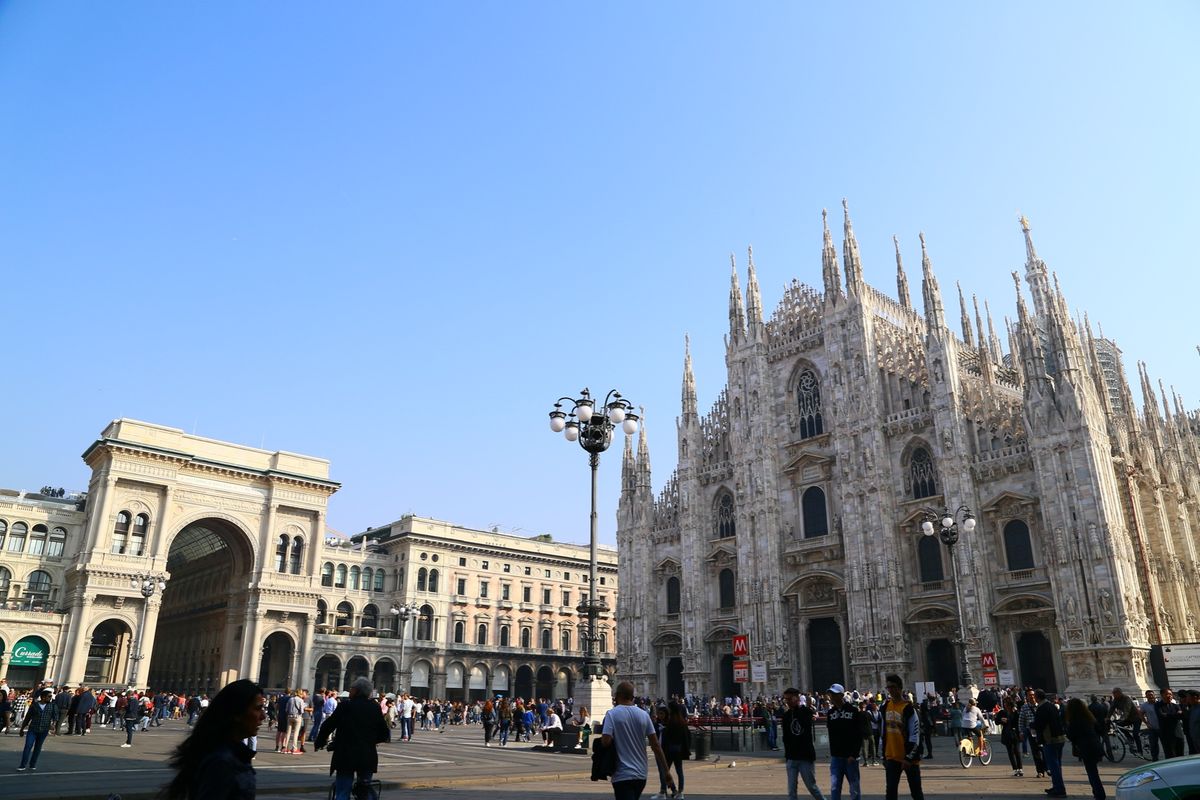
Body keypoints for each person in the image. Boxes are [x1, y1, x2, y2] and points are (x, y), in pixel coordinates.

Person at [161, 679, 263, 800]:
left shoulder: (232, 754)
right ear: (237, 712)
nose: (263, 716)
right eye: (257, 708)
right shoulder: (222, 762)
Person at [315, 677, 390, 800]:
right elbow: (384, 733)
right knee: (365, 790)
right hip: (366, 755)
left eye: (351, 689)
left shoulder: (345, 705)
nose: (349, 691)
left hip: (345, 755)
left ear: (356, 691)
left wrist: (320, 741)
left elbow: (328, 725)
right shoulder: (374, 707)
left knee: (343, 791)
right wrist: (370, 740)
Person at [601, 681, 674, 800]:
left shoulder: (612, 714)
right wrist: (667, 772)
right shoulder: (644, 715)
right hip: (641, 775)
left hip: (622, 774)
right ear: (632, 696)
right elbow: (656, 746)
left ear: (617, 695)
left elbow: (605, 741)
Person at [881, 675, 923, 800]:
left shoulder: (908, 709)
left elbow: (915, 735)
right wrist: (883, 755)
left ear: (900, 688)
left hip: (908, 759)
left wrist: (908, 758)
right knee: (891, 791)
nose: (891, 690)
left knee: (916, 792)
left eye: (893, 687)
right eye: (888, 687)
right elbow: (884, 732)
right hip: (891, 756)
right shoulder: (885, 707)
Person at [781, 688, 825, 800]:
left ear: (797, 698)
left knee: (811, 787)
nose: (787, 701)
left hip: (805, 757)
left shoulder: (806, 712)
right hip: (791, 758)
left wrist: (798, 707)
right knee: (791, 790)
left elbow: (806, 723)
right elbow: (785, 737)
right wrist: (787, 756)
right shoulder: (786, 716)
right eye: (785, 699)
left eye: (789, 699)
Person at [825, 683, 863, 800]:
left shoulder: (853, 711)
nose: (831, 697)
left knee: (854, 788)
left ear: (841, 695)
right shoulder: (830, 713)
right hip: (836, 757)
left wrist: (854, 754)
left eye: (834, 694)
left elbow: (858, 734)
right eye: (830, 694)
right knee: (835, 787)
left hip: (850, 757)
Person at [1065, 698, 1106, 800]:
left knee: (1092, 773)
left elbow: (1070, 735)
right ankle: (1097, 793)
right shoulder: (1089, 717)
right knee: (1094, 772)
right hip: (1096, 746)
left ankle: (1099, 795)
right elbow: (1100, 730)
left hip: (1086, 749)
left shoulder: (1074, 720)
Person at [1034, 690, 1067, 798]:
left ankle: (1059, 789)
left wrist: (1031, 725)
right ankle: (1057, 786)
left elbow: (1040, 724)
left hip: (1050, 739)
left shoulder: (1042, 708)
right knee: (1057, 765)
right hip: (1060, 738)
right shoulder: (1052, 706)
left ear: (1037, 698)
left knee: (1053, 765)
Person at [17, 688, 59, 771]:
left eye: (51, 696)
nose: (51, 698)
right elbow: (28, 717)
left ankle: (32, 764)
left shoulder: (53, 705)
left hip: (44, 730)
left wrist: (53, 725)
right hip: (33, 729)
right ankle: (22, 765)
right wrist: (22, 729)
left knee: (38, 747)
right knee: (28, 746)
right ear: (43, 697)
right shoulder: (34, 705)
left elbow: (55, 717)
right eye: (49, 696)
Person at [996, 695, 1023, 777]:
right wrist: (1001, 720)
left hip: (1015, 733)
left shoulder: (1016, 713)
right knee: (1010, 752)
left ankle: (1020, 768)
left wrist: (1008, 720)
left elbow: (1018, 722)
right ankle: (1015, 769)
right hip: (1007, 734)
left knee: (1017, 751)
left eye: (1007, 703)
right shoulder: (1002, 712)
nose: (1005, 705)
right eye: (1005, 703)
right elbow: (996, 721)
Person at [1155, 688, 1184, 759]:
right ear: (1162, 695)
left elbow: (1180, 716)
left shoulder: (1175, 706)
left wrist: (1169, 715)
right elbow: (1162, 716)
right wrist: (1175, 715)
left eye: (1171, 694)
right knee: (1170, 755)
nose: (1169, 696)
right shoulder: (1158, 706)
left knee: (1180, 755)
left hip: (1178, 734)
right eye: (1167, 694)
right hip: (1166, 735)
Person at [1140, 690, 1161, 761]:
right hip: (1152, 728)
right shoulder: (1144, 705)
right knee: (1153, 745)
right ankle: (1155, 759)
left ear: (1154, 695)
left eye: (1151, 695)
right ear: (1146, 696)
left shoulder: (1160, 703)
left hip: (1162, 727)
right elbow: (1141, 714)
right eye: (1148, 695)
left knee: (1166, 744)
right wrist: (1146, 723)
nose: (1150, 696)